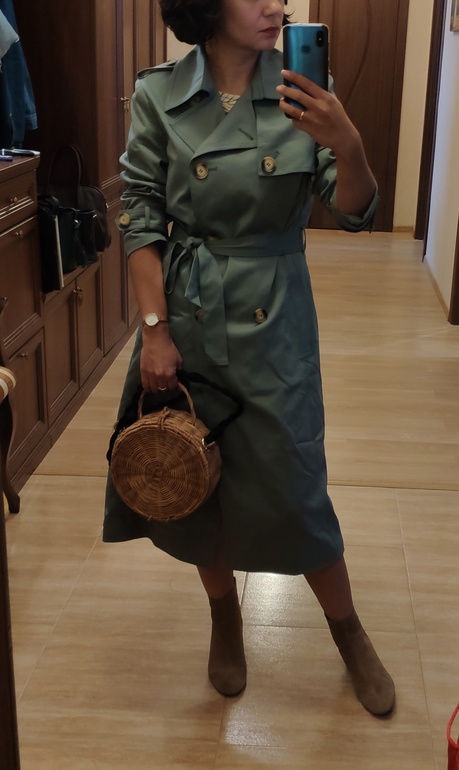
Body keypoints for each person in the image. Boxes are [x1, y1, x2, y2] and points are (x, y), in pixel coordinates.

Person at [103, 0, 395, 717]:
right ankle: (224, 617)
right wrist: (154, 331)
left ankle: (348, 630)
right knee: (201, 475)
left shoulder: (301, 87)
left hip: (275, 316)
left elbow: (353, 210)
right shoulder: (159, 94)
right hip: (190, 316)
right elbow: (140, 217)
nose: (274, 5)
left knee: (296, 482)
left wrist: (349, 143)